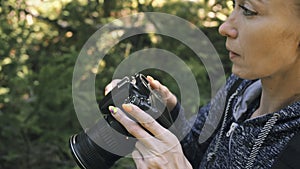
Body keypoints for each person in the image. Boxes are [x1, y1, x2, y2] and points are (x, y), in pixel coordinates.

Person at [105, 0, 300, 168]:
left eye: (248, 10)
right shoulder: (240, 87)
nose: (225, 28)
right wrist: (168, 113)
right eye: (234, 6)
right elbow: (196, 150)